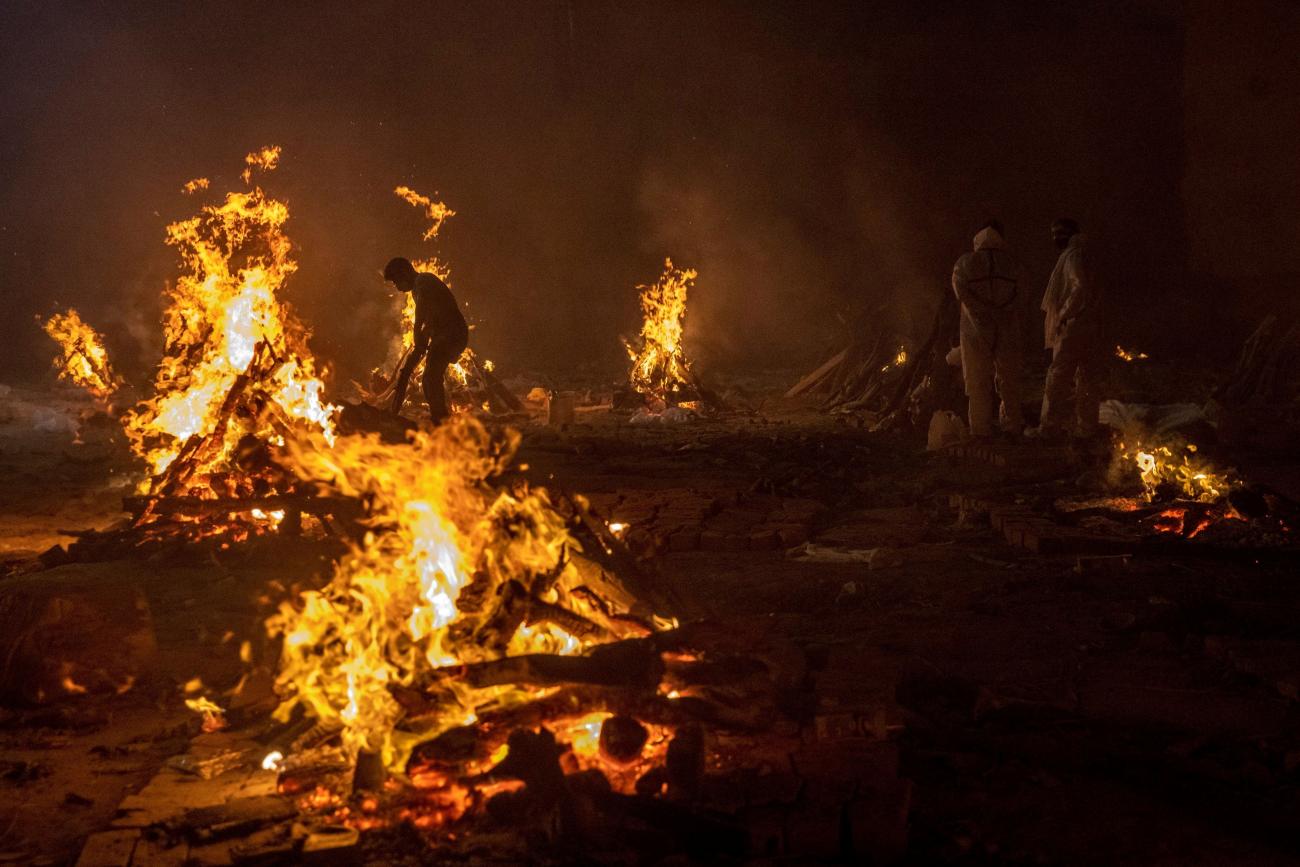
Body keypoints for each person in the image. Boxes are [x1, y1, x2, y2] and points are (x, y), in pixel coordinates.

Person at [951, 220, 1025, 438]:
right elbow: (1023, 295)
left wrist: (981, 310)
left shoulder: (965, 263)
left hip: (975, 329)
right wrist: (1002, 311)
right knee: (1009, 379)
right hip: (1007, 327)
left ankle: (980, 431)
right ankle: (1012, 426)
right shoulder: (1013, 265)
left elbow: (960, 291)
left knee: (976, 380)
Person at [1030, 218, 1101, 439]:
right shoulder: (1087, 254)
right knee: (1087, 377)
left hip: (1073, 326)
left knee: (1058, 376)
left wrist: (1063, 315)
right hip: (1090, 325)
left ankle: (1049, 428)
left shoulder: (1072, 255)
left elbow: (1079, 287)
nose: (1055, 238)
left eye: (1059, 233)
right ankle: (1087, 428)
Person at [383, 257, 469, 422]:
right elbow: (433, 316)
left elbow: (422, 311)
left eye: (396, 282)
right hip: (445, 335)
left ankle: (441, 422)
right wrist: (423, 340)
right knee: (431, 377)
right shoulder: (418, 289)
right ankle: (440, 419)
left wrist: (417, 333)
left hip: (451, 334)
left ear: (405, 273)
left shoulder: (424, 281)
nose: (397, 288)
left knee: (430, 378)